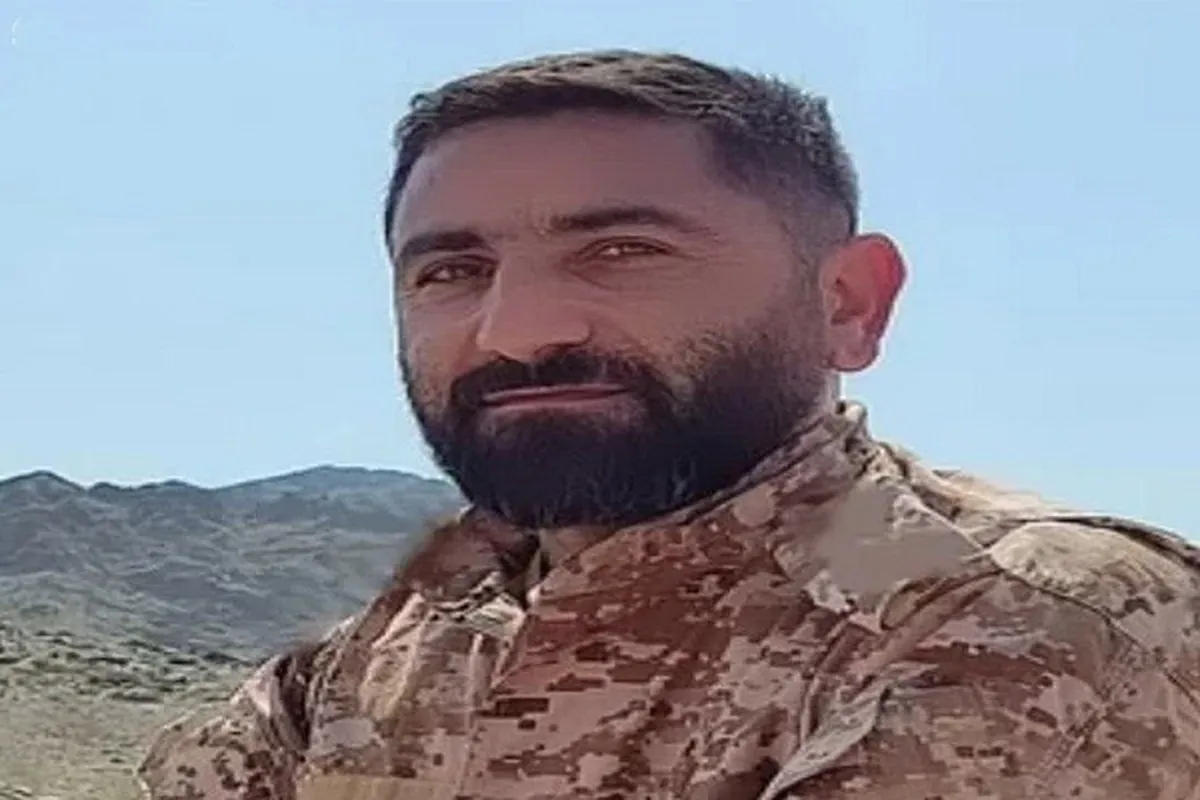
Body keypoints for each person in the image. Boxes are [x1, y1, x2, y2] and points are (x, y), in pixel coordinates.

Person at [137, 50, 1200, 799]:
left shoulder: (1024, 614)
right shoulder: (377, 658)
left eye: (622, 252)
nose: (518, 331)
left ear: (847, 303)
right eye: (453, 270)